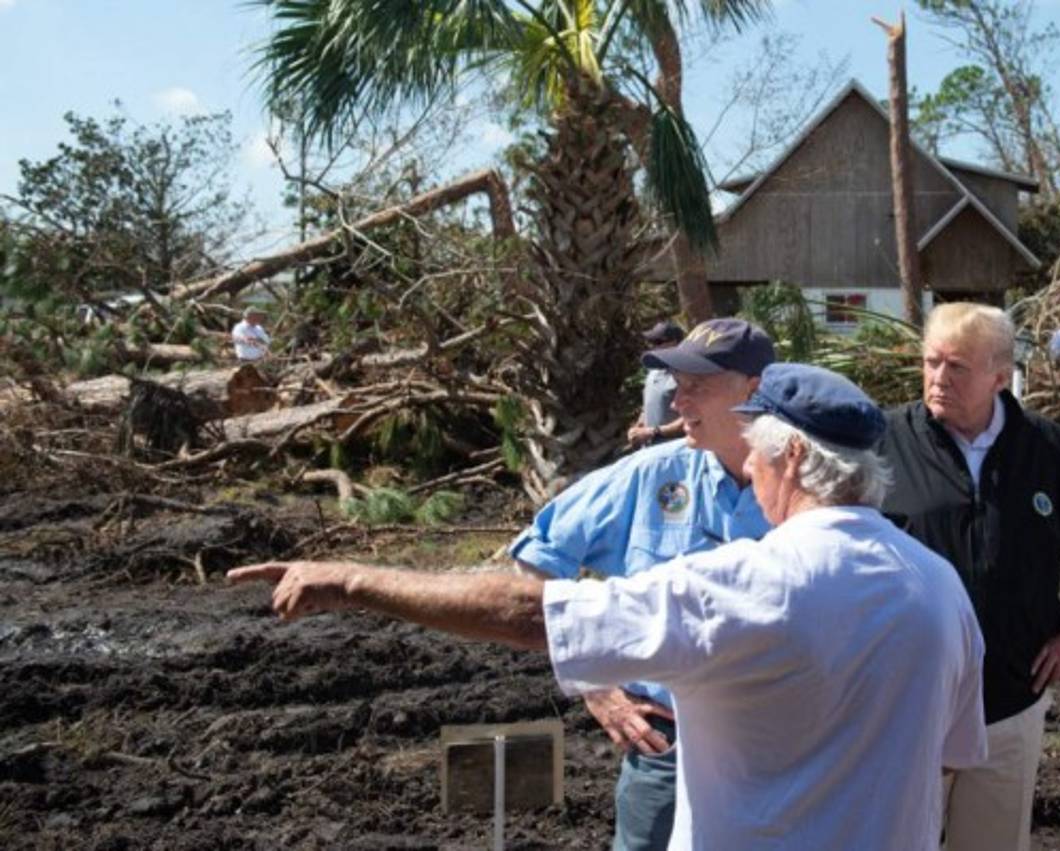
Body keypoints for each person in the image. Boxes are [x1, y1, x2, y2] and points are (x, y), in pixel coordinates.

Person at [228, 362, 988, 851]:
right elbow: (952, 757)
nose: (746, 462)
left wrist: (352, 579)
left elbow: (534, 612)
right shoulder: (939, 585)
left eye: (755, 446)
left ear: (791, 457)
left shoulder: (751, 582)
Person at [879, 302, 1060, 851]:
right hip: (904, 708)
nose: (937, 378)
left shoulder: (1058, 456)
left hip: (1009, 703)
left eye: (957, 366)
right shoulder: (883, 446)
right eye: (931, 362)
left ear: (1001, 376)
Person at [512, 317, 774, 851]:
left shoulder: (809, 485)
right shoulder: (648, 475)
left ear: (755, 390)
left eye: (697, 386)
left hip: (779, 749)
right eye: (677, 387)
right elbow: (536, 562)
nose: (678, 403)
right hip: (665, 749)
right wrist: (596, 687)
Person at [627, 320, 686, 448]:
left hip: (677, 451)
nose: (653, 347)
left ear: (675, 343)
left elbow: (692, 418)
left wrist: (653, 432)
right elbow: (647, 405)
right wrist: (638, 427)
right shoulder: (653, 371)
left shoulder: (686, 373)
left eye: (658, 342)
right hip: (651, 451)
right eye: (651, 343)